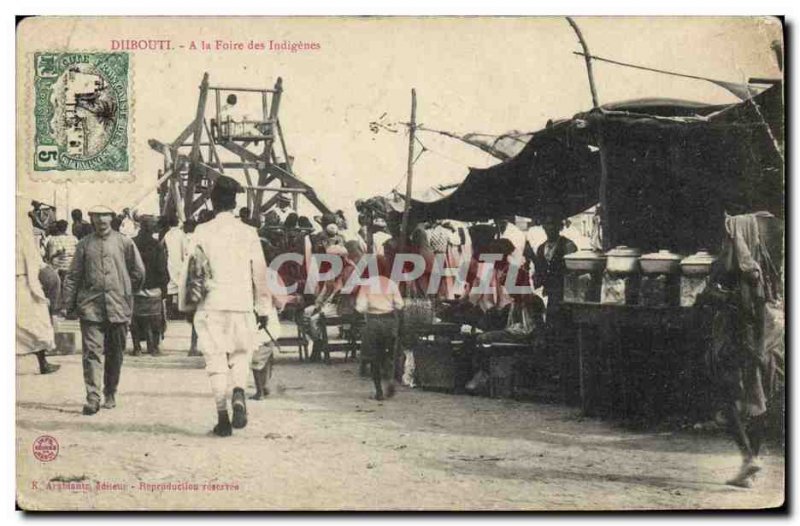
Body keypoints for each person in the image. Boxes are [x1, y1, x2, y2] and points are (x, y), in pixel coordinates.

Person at [185, 175, 273, 437]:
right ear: (235, 203)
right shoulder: (248, 232)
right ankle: (238, 391)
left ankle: (222, 417)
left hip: (211, 303)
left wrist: (188, 306)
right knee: (241, 355)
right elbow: (260, 273)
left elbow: (191, 271)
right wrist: (264, 308)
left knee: (215, 361)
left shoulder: (201, 232)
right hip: (241, 303)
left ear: (212, 202)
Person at [700, 212, 783, 488]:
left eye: (729, 240)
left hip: (745, 342)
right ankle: (752, 463)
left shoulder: (748, 274)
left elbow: (752, 310)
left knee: (728, 398)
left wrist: (714, 295)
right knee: (757, 402)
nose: (726, 245)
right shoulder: (748, 271)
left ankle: (749, 457)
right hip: (760, 342)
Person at [62, 205, 145, 415]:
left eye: (105, 215)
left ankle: (110, 392)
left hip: (118, 306)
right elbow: (72, 276)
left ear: (112, 217)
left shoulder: (125, 243)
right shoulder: (83, 245)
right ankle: (93, 397)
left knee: (115, 353)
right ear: (91, 219)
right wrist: (68, 304)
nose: (101, 220)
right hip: (91, 306)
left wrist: (125, 291)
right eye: (96, 216)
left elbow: (138, 272)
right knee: (91, 352)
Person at [17, 200, 60, 375]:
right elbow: (33, 257)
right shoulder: (22, 229)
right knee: (37, 321)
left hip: (22, 277)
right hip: (23, 279)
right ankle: (43, 363)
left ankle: (43, 362)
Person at [355, 257, 404, 400]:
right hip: (389, 322)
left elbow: (360, 307)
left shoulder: (366, 285)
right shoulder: (391, 284)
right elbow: (400, 305)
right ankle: (389, 379)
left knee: (374, 358)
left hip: (373, 323)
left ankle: (379, 392)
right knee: (388, 356)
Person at [130, 216, 170, 356]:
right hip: (153, 287)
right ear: (149, 227)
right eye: (154, 225)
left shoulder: (131, 243)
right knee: (154, 319)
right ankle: (153, 347)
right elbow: (161, 268)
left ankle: (137, 348)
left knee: (135, 318)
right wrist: (164, 286)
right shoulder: (156, 245)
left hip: (135, 287)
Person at [532, 212, 578, 317]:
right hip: (550, 296)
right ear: (543, 226)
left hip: (565, 297)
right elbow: (539, 273)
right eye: (547, 224)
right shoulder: (541, 248)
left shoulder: (568, 245)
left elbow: (573, 272)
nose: (550, 227)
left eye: (553, 224)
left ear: (560, 226)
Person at [162, 215, 186, 318]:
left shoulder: (167, 234)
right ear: (177, 222)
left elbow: (163, 247)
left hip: (170, 262)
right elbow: (184, 250)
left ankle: (170, 311)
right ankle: (180, 311)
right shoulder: (181, 234)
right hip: (180, 263)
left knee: (170, 287)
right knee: (181, 286)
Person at [45, 219, 78, 286]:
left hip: (57, 269)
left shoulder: (52, 240)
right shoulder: (74, 239)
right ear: (66, 228)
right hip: (70, 267)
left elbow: (49, 257)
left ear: (57, 228)